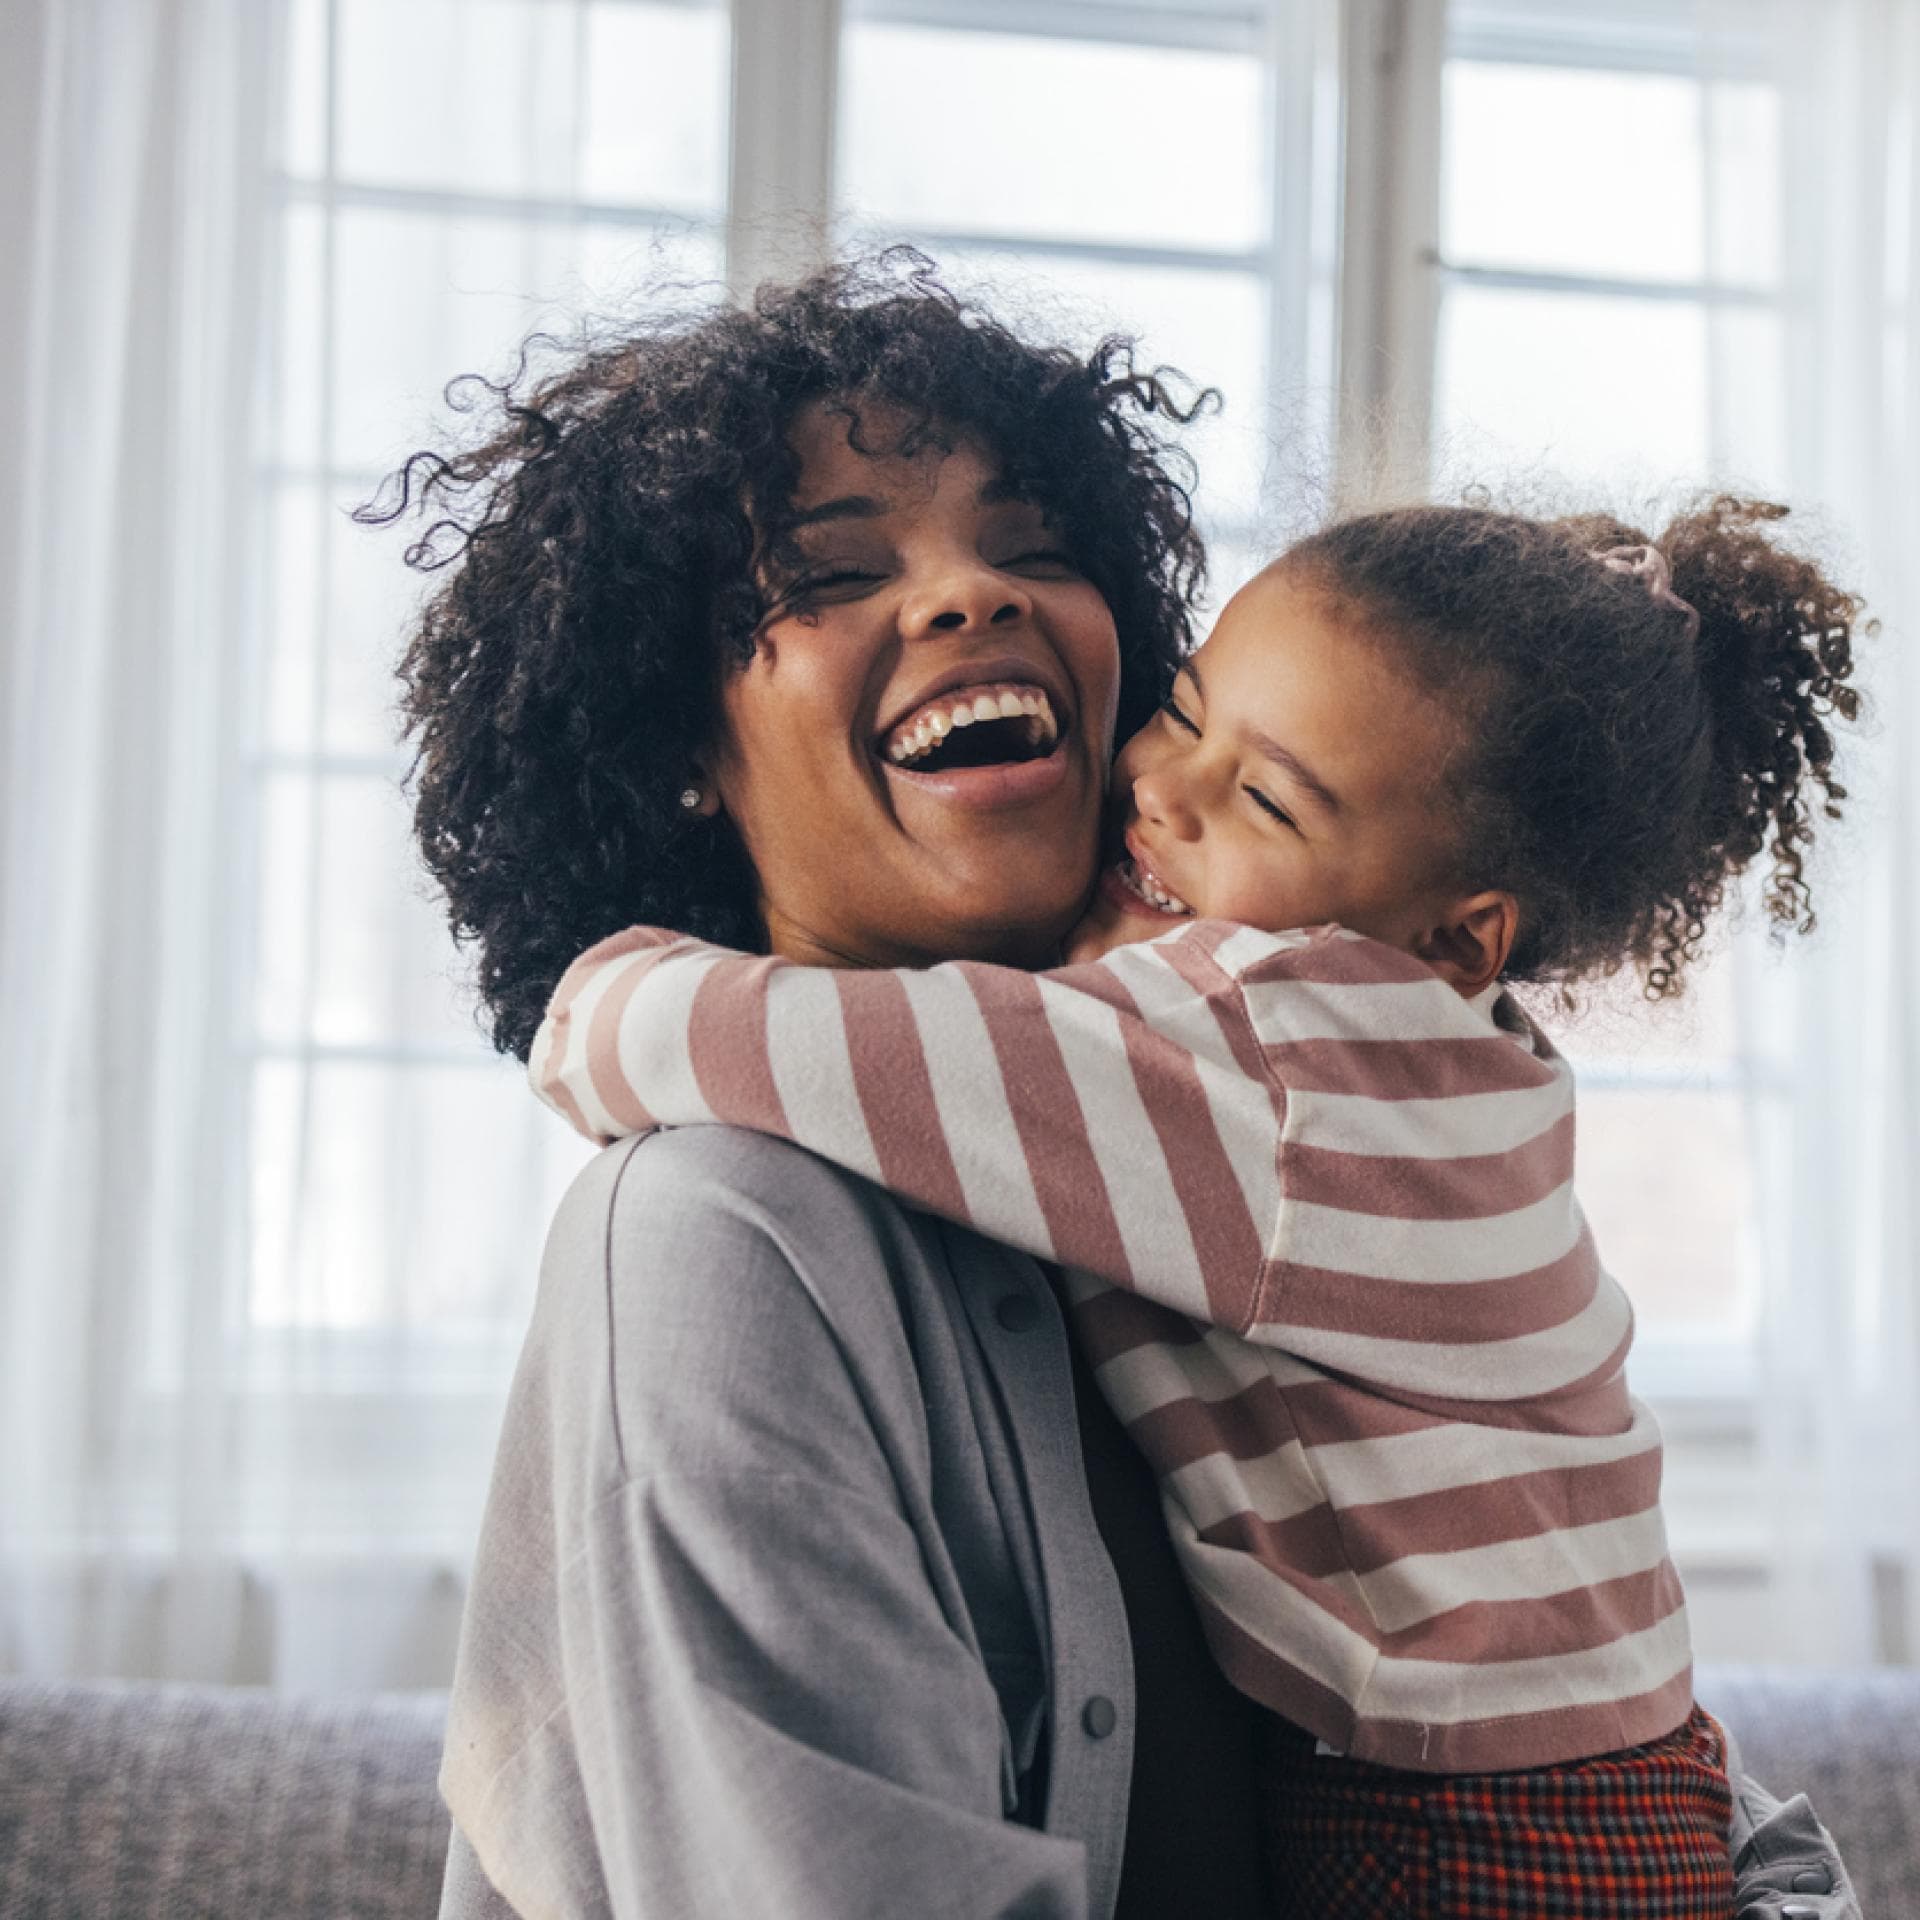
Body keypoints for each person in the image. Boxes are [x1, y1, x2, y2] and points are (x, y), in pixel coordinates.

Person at [373, 254, 1860, 1917]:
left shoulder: (1263, 1095)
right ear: (671, 747)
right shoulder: (722, 1237)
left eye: (1034, 549)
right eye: (832, 570)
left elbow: (1672, 1784)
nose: (971, 598)